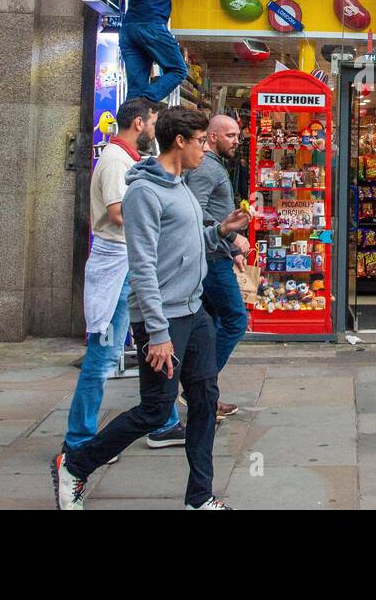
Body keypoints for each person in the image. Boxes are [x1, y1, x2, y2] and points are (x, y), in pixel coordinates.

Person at [51, 106, 250, 510]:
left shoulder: (179, 185)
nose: (203, 149)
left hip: (193, 313)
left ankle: (200, 497)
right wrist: (157, 333)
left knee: (204, 401)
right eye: (199, 142)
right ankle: (75, 465)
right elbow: (142, 264)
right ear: (180, 141)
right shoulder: (144, 191)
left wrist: (222, 231)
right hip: (162, 319)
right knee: (154, 409)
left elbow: (188, 239)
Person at [62, 97, 182, 456]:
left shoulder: (130, 159)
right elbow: (117, 213)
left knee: (153, 342)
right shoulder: (115, 161)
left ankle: (164, 420)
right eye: (154, 122)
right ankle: (80, 440)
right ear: (140, 124)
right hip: (117, 265)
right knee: (103, 356)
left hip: (131, 261)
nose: (157, 130)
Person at [185, 113, 252, 419]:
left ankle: (204, 395)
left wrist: (232, 248)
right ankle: (198, 387)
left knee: (210, 327)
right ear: (212, 137)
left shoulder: (214, 166)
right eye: (230, 136)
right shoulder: (205, 170)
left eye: (237, 136)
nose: (237, 141)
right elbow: (193, 213)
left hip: (218, 253)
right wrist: (232, 236)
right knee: (236, 319)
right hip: (211, 259)